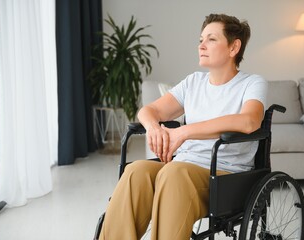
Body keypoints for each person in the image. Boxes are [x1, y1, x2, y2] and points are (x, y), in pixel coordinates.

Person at [99, 13, 268, 240]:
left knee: (173, 173)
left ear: (233, 47)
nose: (202, 45)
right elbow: (148, 111)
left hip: (226, 175)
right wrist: (153, 128)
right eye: (201, 40)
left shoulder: (252, 83)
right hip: (182, 167)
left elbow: (249, 121)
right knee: (135, 172)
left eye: (211, 39)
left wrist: (184, 131)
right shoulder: (193, 82)